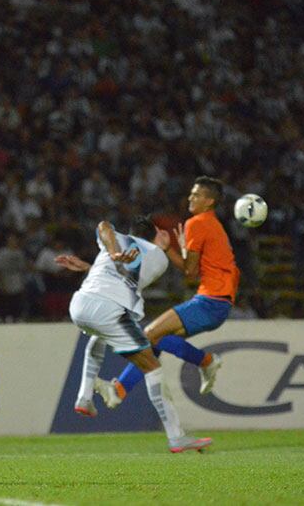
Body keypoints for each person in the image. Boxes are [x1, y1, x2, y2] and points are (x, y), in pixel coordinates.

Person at [60, 216, 212, 453]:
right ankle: (176, 437)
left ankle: (84, 397)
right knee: (152, 367)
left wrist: (106, 257)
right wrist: (164, 246)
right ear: (155, 235)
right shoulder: (160, 258)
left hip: (79, 304)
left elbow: (103, 226)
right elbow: (134, 271)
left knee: (98, 336)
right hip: (109, 308)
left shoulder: (117, 239)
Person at [102, 176, 240, 405]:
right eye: (191, 193)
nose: (191, 197)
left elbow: (189, 270)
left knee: (148, 335)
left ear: (210, 201)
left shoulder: (197, 223)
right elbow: (194, 271)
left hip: (210, 300)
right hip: (219, 302)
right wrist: (172, 249)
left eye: (197, 195)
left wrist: (169, 249)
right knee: (156, 341)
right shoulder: (214, 225)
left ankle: (206, 362)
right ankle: (119, 390)